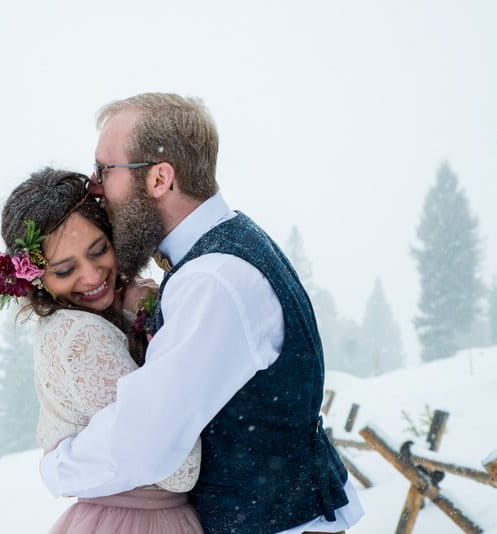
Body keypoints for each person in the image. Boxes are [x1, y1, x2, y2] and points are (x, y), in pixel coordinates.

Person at [39, 94, 365, 533]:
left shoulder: (212, 280)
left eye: (104, 170)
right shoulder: (227, 248)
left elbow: (149, 437)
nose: (94, 186)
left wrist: (59, 467)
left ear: (159, 178)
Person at [0, 168, 203, 533]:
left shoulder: (105, 314)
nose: (90, 276)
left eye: (99, 249)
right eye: (66, 269)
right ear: (36, 279)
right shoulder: (80, 336)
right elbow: (181, 469)